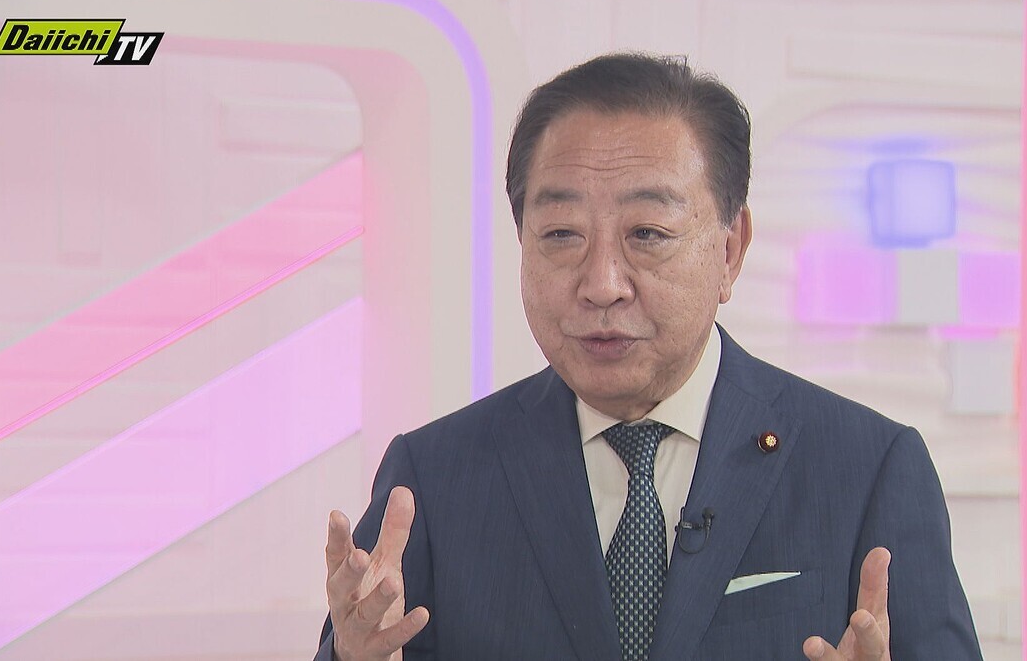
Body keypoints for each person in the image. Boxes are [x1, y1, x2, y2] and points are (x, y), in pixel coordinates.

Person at [315, 52, 983, 660]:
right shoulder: (434, 479)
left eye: (648, 233)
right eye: (561, 234)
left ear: (730, 250)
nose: (602, 283)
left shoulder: (867, 467)